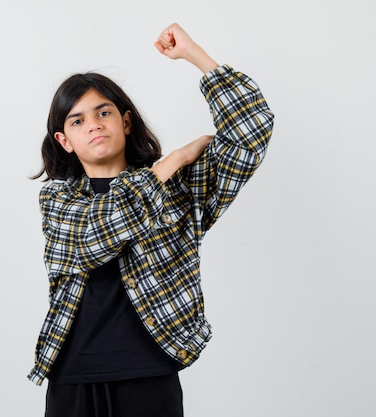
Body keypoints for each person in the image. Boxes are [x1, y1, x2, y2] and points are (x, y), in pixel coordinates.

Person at [27, 23, 274, 417]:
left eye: (103, 112)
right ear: (64, 142)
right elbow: (95, 241)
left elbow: (251, 132)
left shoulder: (179, 190)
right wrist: (172, 160)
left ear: (125, 122)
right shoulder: (58, 198)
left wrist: (195, 55)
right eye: (77, 121)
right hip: (72, 375)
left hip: (150, 371)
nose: (93, 124)